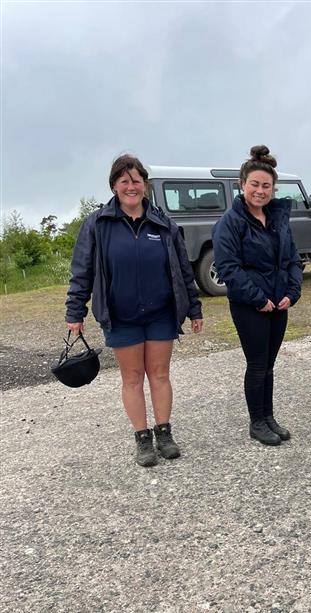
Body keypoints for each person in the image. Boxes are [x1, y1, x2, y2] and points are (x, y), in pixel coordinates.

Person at [65, 153, 203, 467]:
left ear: (145, 185)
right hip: (121, 316)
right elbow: (82, 271)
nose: (131, 186)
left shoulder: (163, 223)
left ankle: (164, 432)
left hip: (160, 314)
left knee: (159, 375)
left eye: (136, 181)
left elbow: (183, 269)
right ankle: (142, 438)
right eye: (124, 181)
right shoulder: (98, 224)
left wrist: (194, 308)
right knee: (132, 378)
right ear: (114, 185)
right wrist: (75, 312)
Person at [212, 145, 304, 446]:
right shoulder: (230, 222)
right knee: (257, 363)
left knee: (270, 364)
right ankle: (256, 422)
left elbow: (291, 259)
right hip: (250, 306)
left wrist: (293, 291)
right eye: (255, 184)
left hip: (279, 303)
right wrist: (258, 298)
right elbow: (229, 269)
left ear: (273, 189)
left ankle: (268, 417)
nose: (260, 191)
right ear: (243, 185)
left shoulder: (277, 218)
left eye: (266, 186)